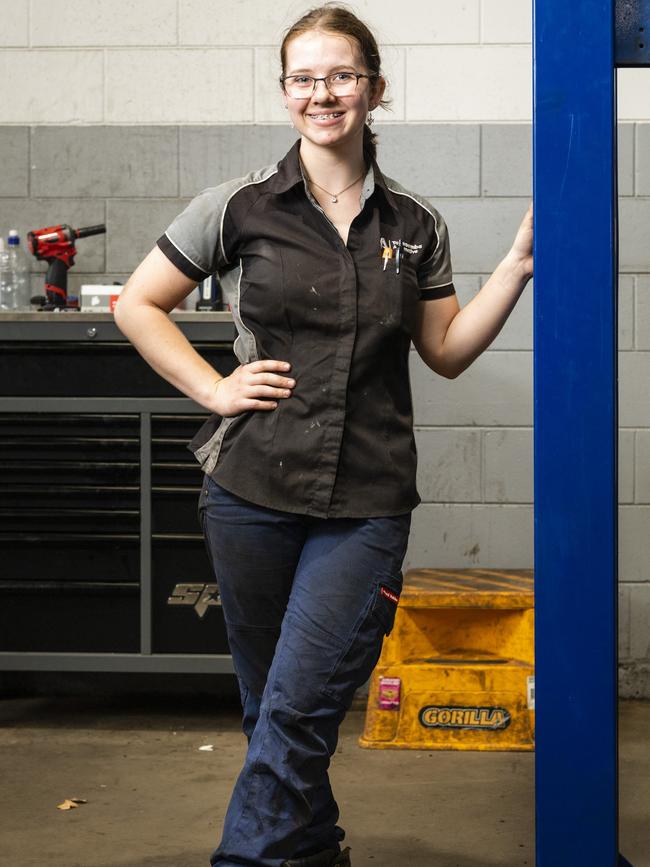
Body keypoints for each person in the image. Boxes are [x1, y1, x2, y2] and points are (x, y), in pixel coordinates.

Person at [114, 5, 533, 865]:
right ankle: (312, 850)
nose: (323, 93)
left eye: (342, 75)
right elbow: (135, 302)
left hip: (366, 503)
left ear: (376, 89)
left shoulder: (415, 226)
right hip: (249, 494)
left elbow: (445, 351)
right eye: (304, 78)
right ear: (284, 93)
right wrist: (214, 386)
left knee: (299, 707)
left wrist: (518, 271)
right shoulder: (237, 206)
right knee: (274, 706)